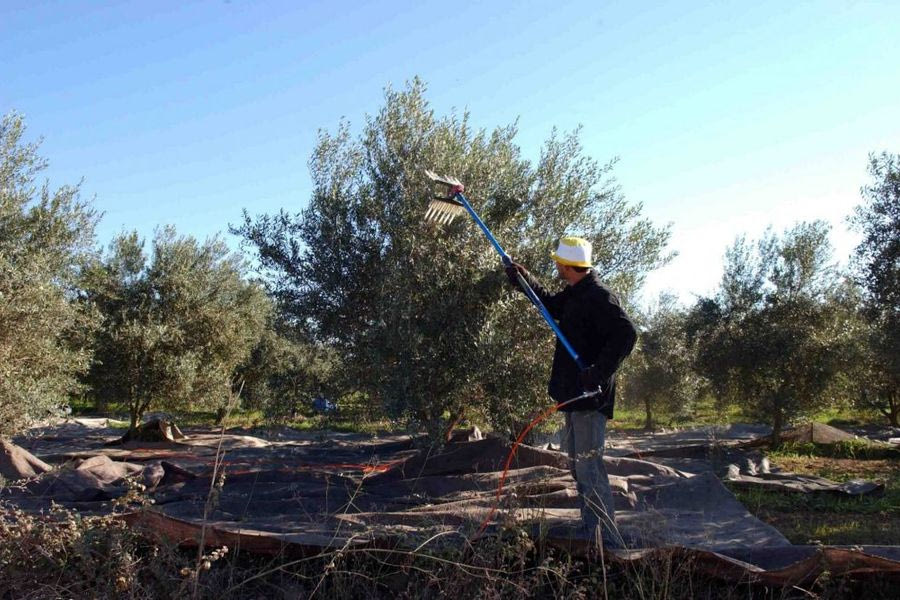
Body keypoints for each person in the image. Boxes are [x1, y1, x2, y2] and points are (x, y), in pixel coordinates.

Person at [505, 236, 637, 548]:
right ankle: (591, 529)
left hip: (590, 400)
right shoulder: (576, 294)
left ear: (568, 265)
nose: (555, 266)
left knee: (590, 466)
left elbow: (626, 334)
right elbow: (549, 305)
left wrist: (598, 372)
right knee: (579, 467)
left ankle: (607, 539)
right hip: (575, 397)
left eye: (558, 262)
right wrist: (523, 279)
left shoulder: (599, 297)